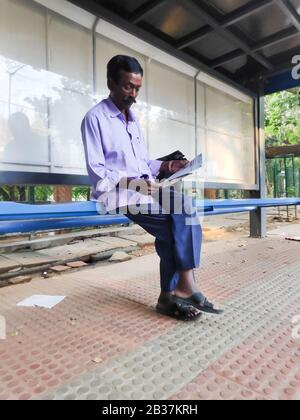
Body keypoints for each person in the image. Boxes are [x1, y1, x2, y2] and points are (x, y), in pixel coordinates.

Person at [81, 55, 220, 321]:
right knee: (171, 230)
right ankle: (175, 293)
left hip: (149, 188)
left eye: (137, 88)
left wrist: (168, 166)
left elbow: (143, 162)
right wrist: (133, 183)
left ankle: (180, 289)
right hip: (121, 194)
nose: (133, 94)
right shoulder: (95, 119)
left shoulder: (133, 120)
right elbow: (98, 174)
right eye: (127, 86)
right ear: (110, 82)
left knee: (187, 206)